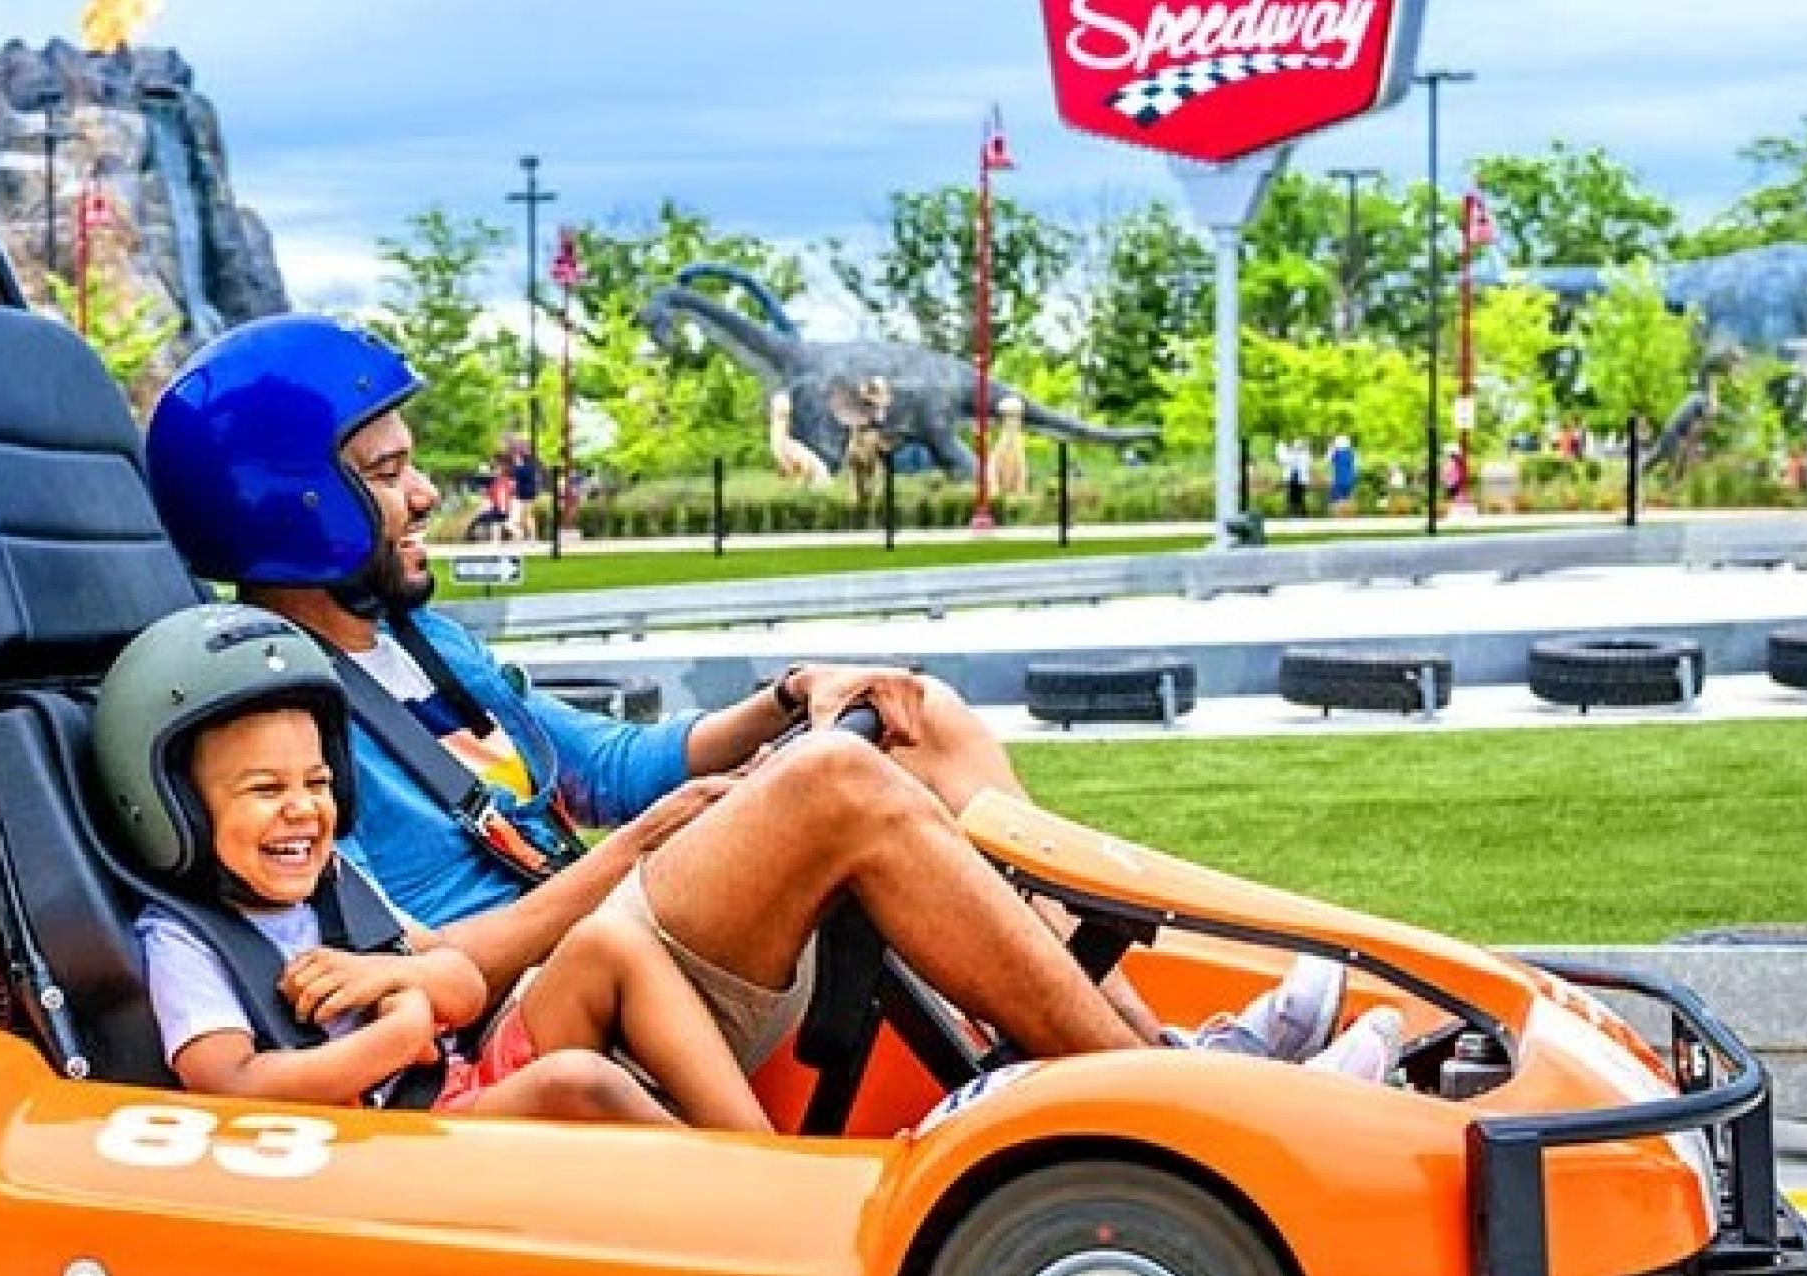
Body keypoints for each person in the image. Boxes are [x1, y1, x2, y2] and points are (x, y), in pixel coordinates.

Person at [145, 315, 1402, 1088]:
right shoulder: (274, 731)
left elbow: (613, 764)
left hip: (634, 937)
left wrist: (791, 699)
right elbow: (407, 966)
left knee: (909, 712)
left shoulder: (424, 641)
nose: (427, 495)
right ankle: (1189, 1106)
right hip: (547, 1012)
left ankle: (1162, 1055)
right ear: (293, 504)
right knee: (838, 781)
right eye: (386, 474)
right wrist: (645, 847)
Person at [98, 604, 773, 1128]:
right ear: (176, 808)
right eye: (266, 789)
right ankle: (746, 1202)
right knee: (576, 1081)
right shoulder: (186, 940)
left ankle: (764, 1155)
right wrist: (400, 1033)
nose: (302, 808)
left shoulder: (338, 881)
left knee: (611, 943)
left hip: (449, 1085)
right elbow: (231, 1084)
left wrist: (397, 975)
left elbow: (462, 985)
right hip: (390, 1141)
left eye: (319, 782)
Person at [1325, 435, 1358, 513]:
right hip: (1349, 480)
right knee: (1347, 500)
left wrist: (1330, 448)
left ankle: (1339, 514)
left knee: (1336, 503)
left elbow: (1328, 461)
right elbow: (1355, 467)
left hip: (1338, 480)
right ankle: (1346, 514)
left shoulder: (1336, 453)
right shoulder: (1351, 453)